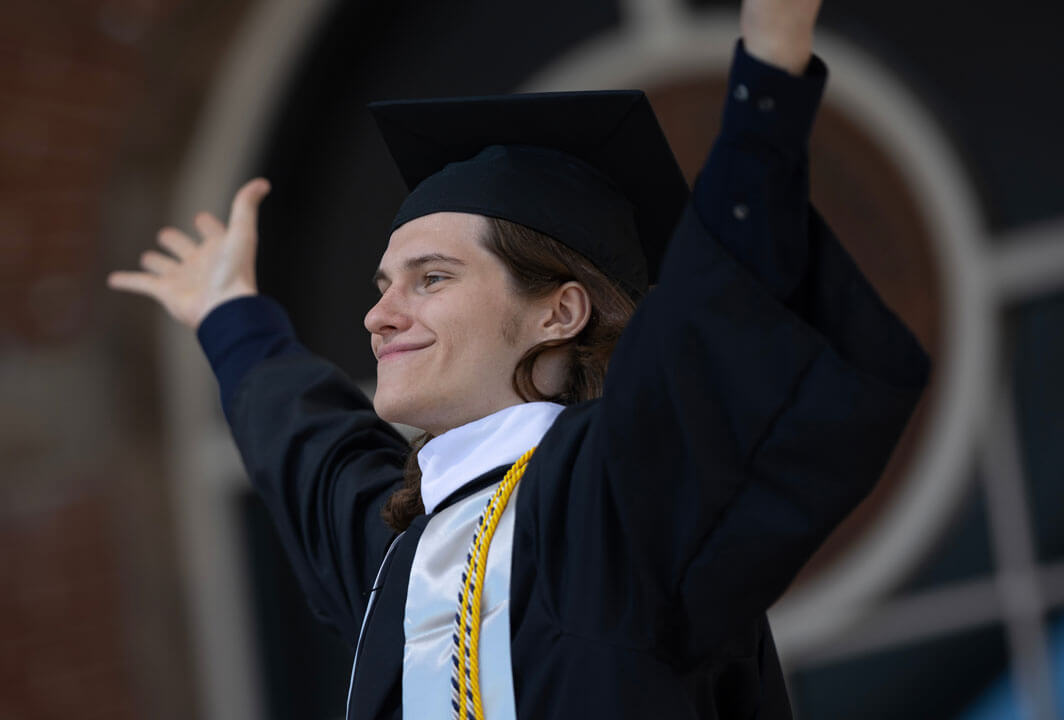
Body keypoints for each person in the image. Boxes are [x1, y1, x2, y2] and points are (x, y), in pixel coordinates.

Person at [107, 0, 931, 717]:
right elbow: (307, 444)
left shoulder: (620, 497)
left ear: (558, 311)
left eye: (430, 279)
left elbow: (713, 325)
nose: (379, 315)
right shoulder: (405, 558)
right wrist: (229, 315)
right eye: (383, 284)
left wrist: (769, 73)